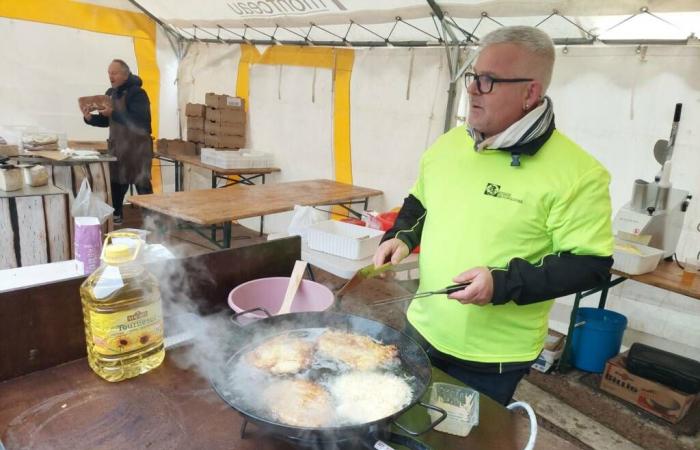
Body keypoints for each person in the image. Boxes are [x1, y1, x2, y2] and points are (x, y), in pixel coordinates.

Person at [373, 26, 614, 406]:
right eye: (473, 76)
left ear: (530, 92)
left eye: (488, 81)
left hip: (491, 358)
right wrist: (401, 236)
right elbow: (420, 202)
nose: (472, 89)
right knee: (402, 421)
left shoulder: (579, 174)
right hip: (421, 327)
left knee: (462, 440)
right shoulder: (450, 144)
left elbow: (590, 265)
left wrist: (501, 283)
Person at [81, 59, 154, 224]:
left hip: (138, 149)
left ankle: (152, 220)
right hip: (118, 148)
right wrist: (90, 117)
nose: (110, 76)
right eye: (109, 73)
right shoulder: (110, 93)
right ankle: (117, 215)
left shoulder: (138, 94)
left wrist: (113, 113)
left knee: (142, 184)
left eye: (114, 73)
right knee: (116, 183)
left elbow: (141, 122)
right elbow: (107, 121)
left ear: (125, 74)